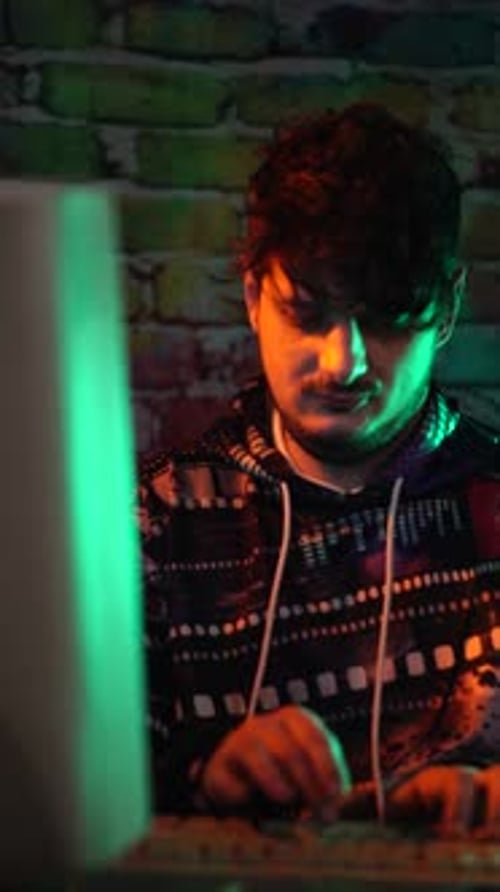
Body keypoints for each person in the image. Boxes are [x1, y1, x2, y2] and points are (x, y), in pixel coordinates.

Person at [138, 102, 500, 837]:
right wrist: (207, 776)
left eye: (390, 317)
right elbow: (75, 810)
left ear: (449, 307)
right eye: (308, 314)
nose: (346, 362)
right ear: (252, 297)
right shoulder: (154, 525)